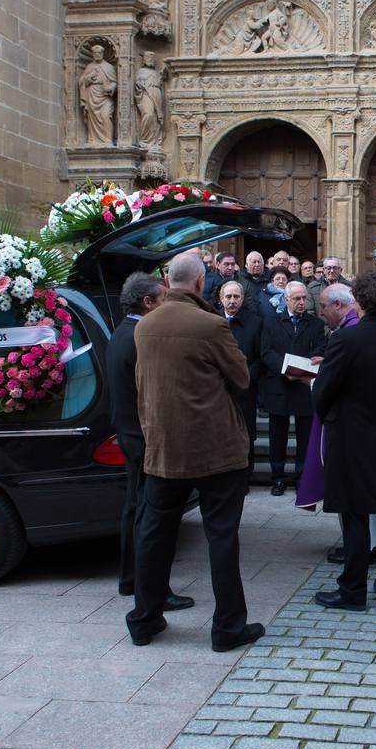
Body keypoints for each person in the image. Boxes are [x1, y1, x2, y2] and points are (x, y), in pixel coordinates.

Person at [127, 251, 263, 651]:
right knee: (221, 537)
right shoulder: (211, 325)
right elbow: (241, 378)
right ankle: (227, 628)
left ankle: (144, 618)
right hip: (214, 448)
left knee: (154, 534)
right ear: (202, 283)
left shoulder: (144, 327)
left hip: (164, 446)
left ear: (167, 284)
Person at [311, 275, 376, 610]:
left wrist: (327, 407)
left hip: (352, 437)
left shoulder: (347, 339)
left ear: (361, 302)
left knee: (355, 513)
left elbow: (323, 391)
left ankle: (352, 590)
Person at [107, 272, 194, 611]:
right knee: (152, 519)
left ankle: (132, 579)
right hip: (144, 438)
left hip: (131, 435)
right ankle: (153, 589)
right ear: (148, 302)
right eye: (163, 299)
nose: (167, 305)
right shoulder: (140, 336)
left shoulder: (123, 332)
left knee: (136, 510)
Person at [258, 280, 328, 496]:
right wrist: (285, 369)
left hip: (303, 385)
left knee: (305, 435)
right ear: (286, 299)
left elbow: (320, 349)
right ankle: (277, 477)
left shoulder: (315, 323)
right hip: (279, 384)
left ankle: (301, 476)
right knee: (277, 435)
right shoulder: (271, 321)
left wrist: (300, 369)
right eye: (296, 298)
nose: (301, 302)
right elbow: (266, 351)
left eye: (303, 298)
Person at [219, 281, 262, 467]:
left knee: (246, 435)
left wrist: (244, 378)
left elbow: (261, 357)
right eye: (228, 296)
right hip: (217, 391)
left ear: (242, 299)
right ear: (221, 299)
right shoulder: (210, 320)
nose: (232, 301)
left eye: (236, 297)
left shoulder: (255, 322)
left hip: (245, 390)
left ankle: (245, 476)